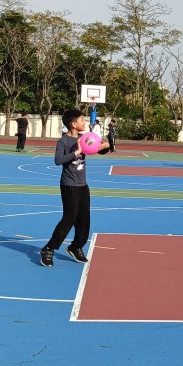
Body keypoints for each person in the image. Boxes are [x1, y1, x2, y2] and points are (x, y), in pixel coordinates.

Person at [38, 109, 112, 267]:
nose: (84, 122)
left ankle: (76, 246)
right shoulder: (63, 141)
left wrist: (106, 146)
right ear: (73, 124)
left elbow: (98, 148)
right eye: (81, 120)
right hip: (69, 185)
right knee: (69, 218)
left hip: (82, 185)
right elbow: (58, 160)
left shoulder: (84, 138)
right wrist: (76, 152)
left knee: (84, 219)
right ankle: (49, 248)